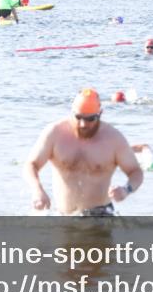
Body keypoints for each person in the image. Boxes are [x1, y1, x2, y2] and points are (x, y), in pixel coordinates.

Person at [23, 88, 144, 216]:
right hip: (63, 216)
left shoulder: (113, 139)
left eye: (90, 119)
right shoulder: (55, 133)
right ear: (72, 112)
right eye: (78, 117)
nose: (83, 124)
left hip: (101, 216)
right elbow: (31, 165)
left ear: (100, 114)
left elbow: (135, 172)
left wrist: (126, 189)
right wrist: (37, 190)